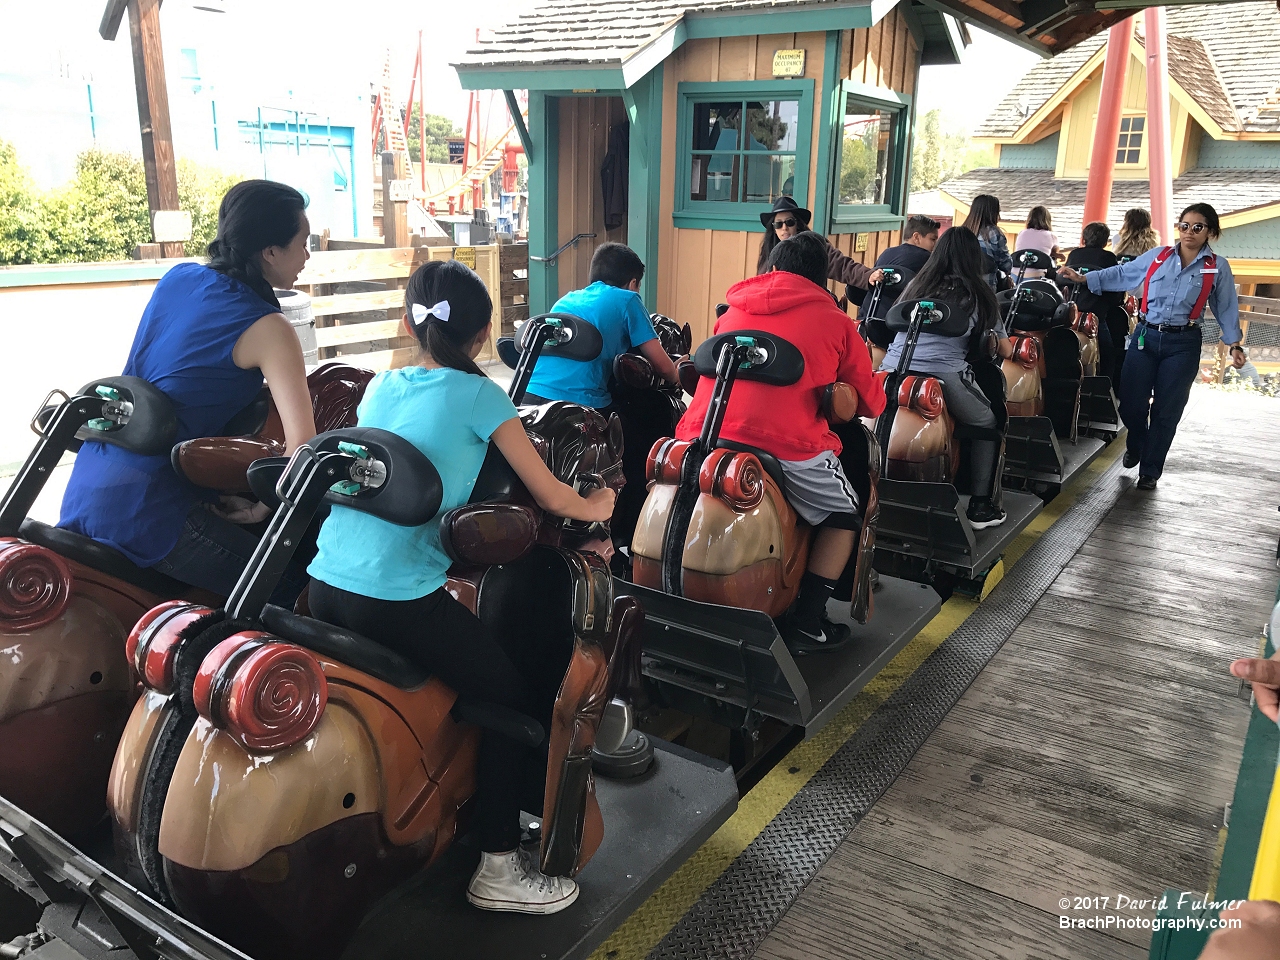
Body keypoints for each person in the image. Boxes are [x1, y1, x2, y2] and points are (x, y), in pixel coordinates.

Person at [306, 259, 615, 915]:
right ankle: (498, 866)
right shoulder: (482, 398)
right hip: (393, 598)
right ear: (482, 335)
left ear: (408, 323)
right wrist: (604, 504)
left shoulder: (381, 386)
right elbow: (551, 492)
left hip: (325, 581)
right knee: (508, 698)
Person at [57, 180, 317, 604]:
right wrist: (261, 509)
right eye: (303, 243)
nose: (307, 256)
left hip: (91, 482)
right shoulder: (271, 330)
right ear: (270, 251)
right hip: (152, 511)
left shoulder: (178, 279)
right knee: (299, 596)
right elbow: (301, 449)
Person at [676, 232, 887, 654]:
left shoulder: (731, 310)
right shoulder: (837, 322)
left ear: (772, 269)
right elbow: (870, 402)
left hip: (702, 433)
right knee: (844, 515)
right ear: (821, 277)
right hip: (786, 444)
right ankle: (807, 621)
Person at [1059, 203, 1243, 491]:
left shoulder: (1216, 268)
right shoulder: (1159, 256)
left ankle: (1150, 471)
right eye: (1184, 226)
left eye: (1198, 227)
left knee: (1167, 411)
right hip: (1145, 337)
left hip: (1183, 344)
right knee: (1131, 403)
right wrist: (1085, 278)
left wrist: (1234, 343)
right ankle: (1138, 441)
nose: (1189, 232)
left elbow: (1226, 306)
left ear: (1210, 232)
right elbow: (1124, 274)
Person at [522, 242, 679, 550]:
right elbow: (661, 363)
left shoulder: (566, 299)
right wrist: (677, 377)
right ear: (633, 282)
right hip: (582, 406)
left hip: (531, 397)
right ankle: (621, 531)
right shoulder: (628, 300)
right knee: (633, 452)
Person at [881, 226, 1014, 529]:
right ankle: (981, 505)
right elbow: (1004, 349)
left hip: (892, 370)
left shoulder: (917, 284)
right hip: (944, 373)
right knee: (987, 421)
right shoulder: (979, 293)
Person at [756, 196, 884, 290]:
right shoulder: (768, 250)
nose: (784, 228)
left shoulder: (813, 246)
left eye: (789, 222)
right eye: (778, 224)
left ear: (798, 223)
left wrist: (868, 275)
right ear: (773, 228)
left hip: (811, 305)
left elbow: (842, 265)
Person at [859, 215, 941, 352]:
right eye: (933, 239)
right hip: (896, 327)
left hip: (866, 319)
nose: (935, 245)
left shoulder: (887, 253)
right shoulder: (929, 260)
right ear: (916, 237)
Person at [1065, 221, 1126, 383]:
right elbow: (1115, 290)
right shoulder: (1108, 257)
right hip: (1095, 314)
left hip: (1072, 310)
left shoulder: (1074, 255)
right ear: (1106, 242)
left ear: (1084, 239)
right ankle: (1106, 384)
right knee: (1108, 351)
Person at [962, 194, 1013, 290]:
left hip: (963, 286)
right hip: (986, 286)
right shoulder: (993, 233)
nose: (999, 217)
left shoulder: (961, 232)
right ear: (992, 213)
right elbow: (1006, 264)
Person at [1014, 205, 1060, 280]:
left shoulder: (1021, 233)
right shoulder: (1051, 236)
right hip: (1036, 277)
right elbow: (1054, 252)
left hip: (1016, 275)